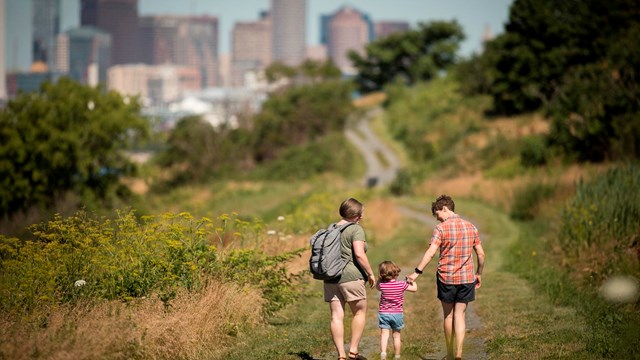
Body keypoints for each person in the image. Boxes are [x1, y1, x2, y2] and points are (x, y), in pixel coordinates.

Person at [407, 195, 485, 360]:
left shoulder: (440, 229)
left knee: (448, 316)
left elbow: (431, 252)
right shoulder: (471, 227)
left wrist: (417, 272)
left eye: (437, 215)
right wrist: (479, 273)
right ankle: (459, 353)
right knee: (460, 316)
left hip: (446, 279)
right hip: (466, 279)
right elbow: (481, 254)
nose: (437, 219)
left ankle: (449, 353)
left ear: (445, 208)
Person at [324, 198, 376, 360]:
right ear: (357, 215)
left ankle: (341, 355)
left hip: (330, 278)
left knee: (336, 316)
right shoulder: (355, 229)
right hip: (351, 277)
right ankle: (353, 352)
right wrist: (370, 273)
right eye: (361, 214)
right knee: (360, 312)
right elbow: (359, 253)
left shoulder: (331, 228)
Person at [377, 260, 418, 360]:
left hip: (384, 314)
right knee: (396, 336)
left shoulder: (382, 286)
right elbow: (414, 289)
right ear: (396, 273)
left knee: (384, 335)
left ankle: (383, 353)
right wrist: (412, 281)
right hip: (397, 314)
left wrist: (379, 278)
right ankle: (397, 356)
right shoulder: (401, 285)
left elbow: (378, 285)